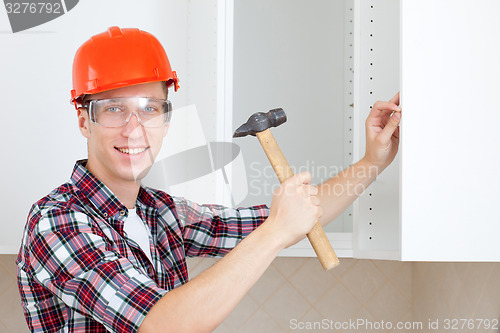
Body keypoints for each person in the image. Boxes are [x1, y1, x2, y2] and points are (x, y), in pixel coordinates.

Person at [16, 26, 401, 333]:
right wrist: (276, 233)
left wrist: (372, 162)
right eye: (114, 108)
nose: (134, 130)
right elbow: (162, 324)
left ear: (166, 120)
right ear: (84, 120)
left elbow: (291, 217)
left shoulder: (162, 213)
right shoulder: (57, 220)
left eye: (149, 108)